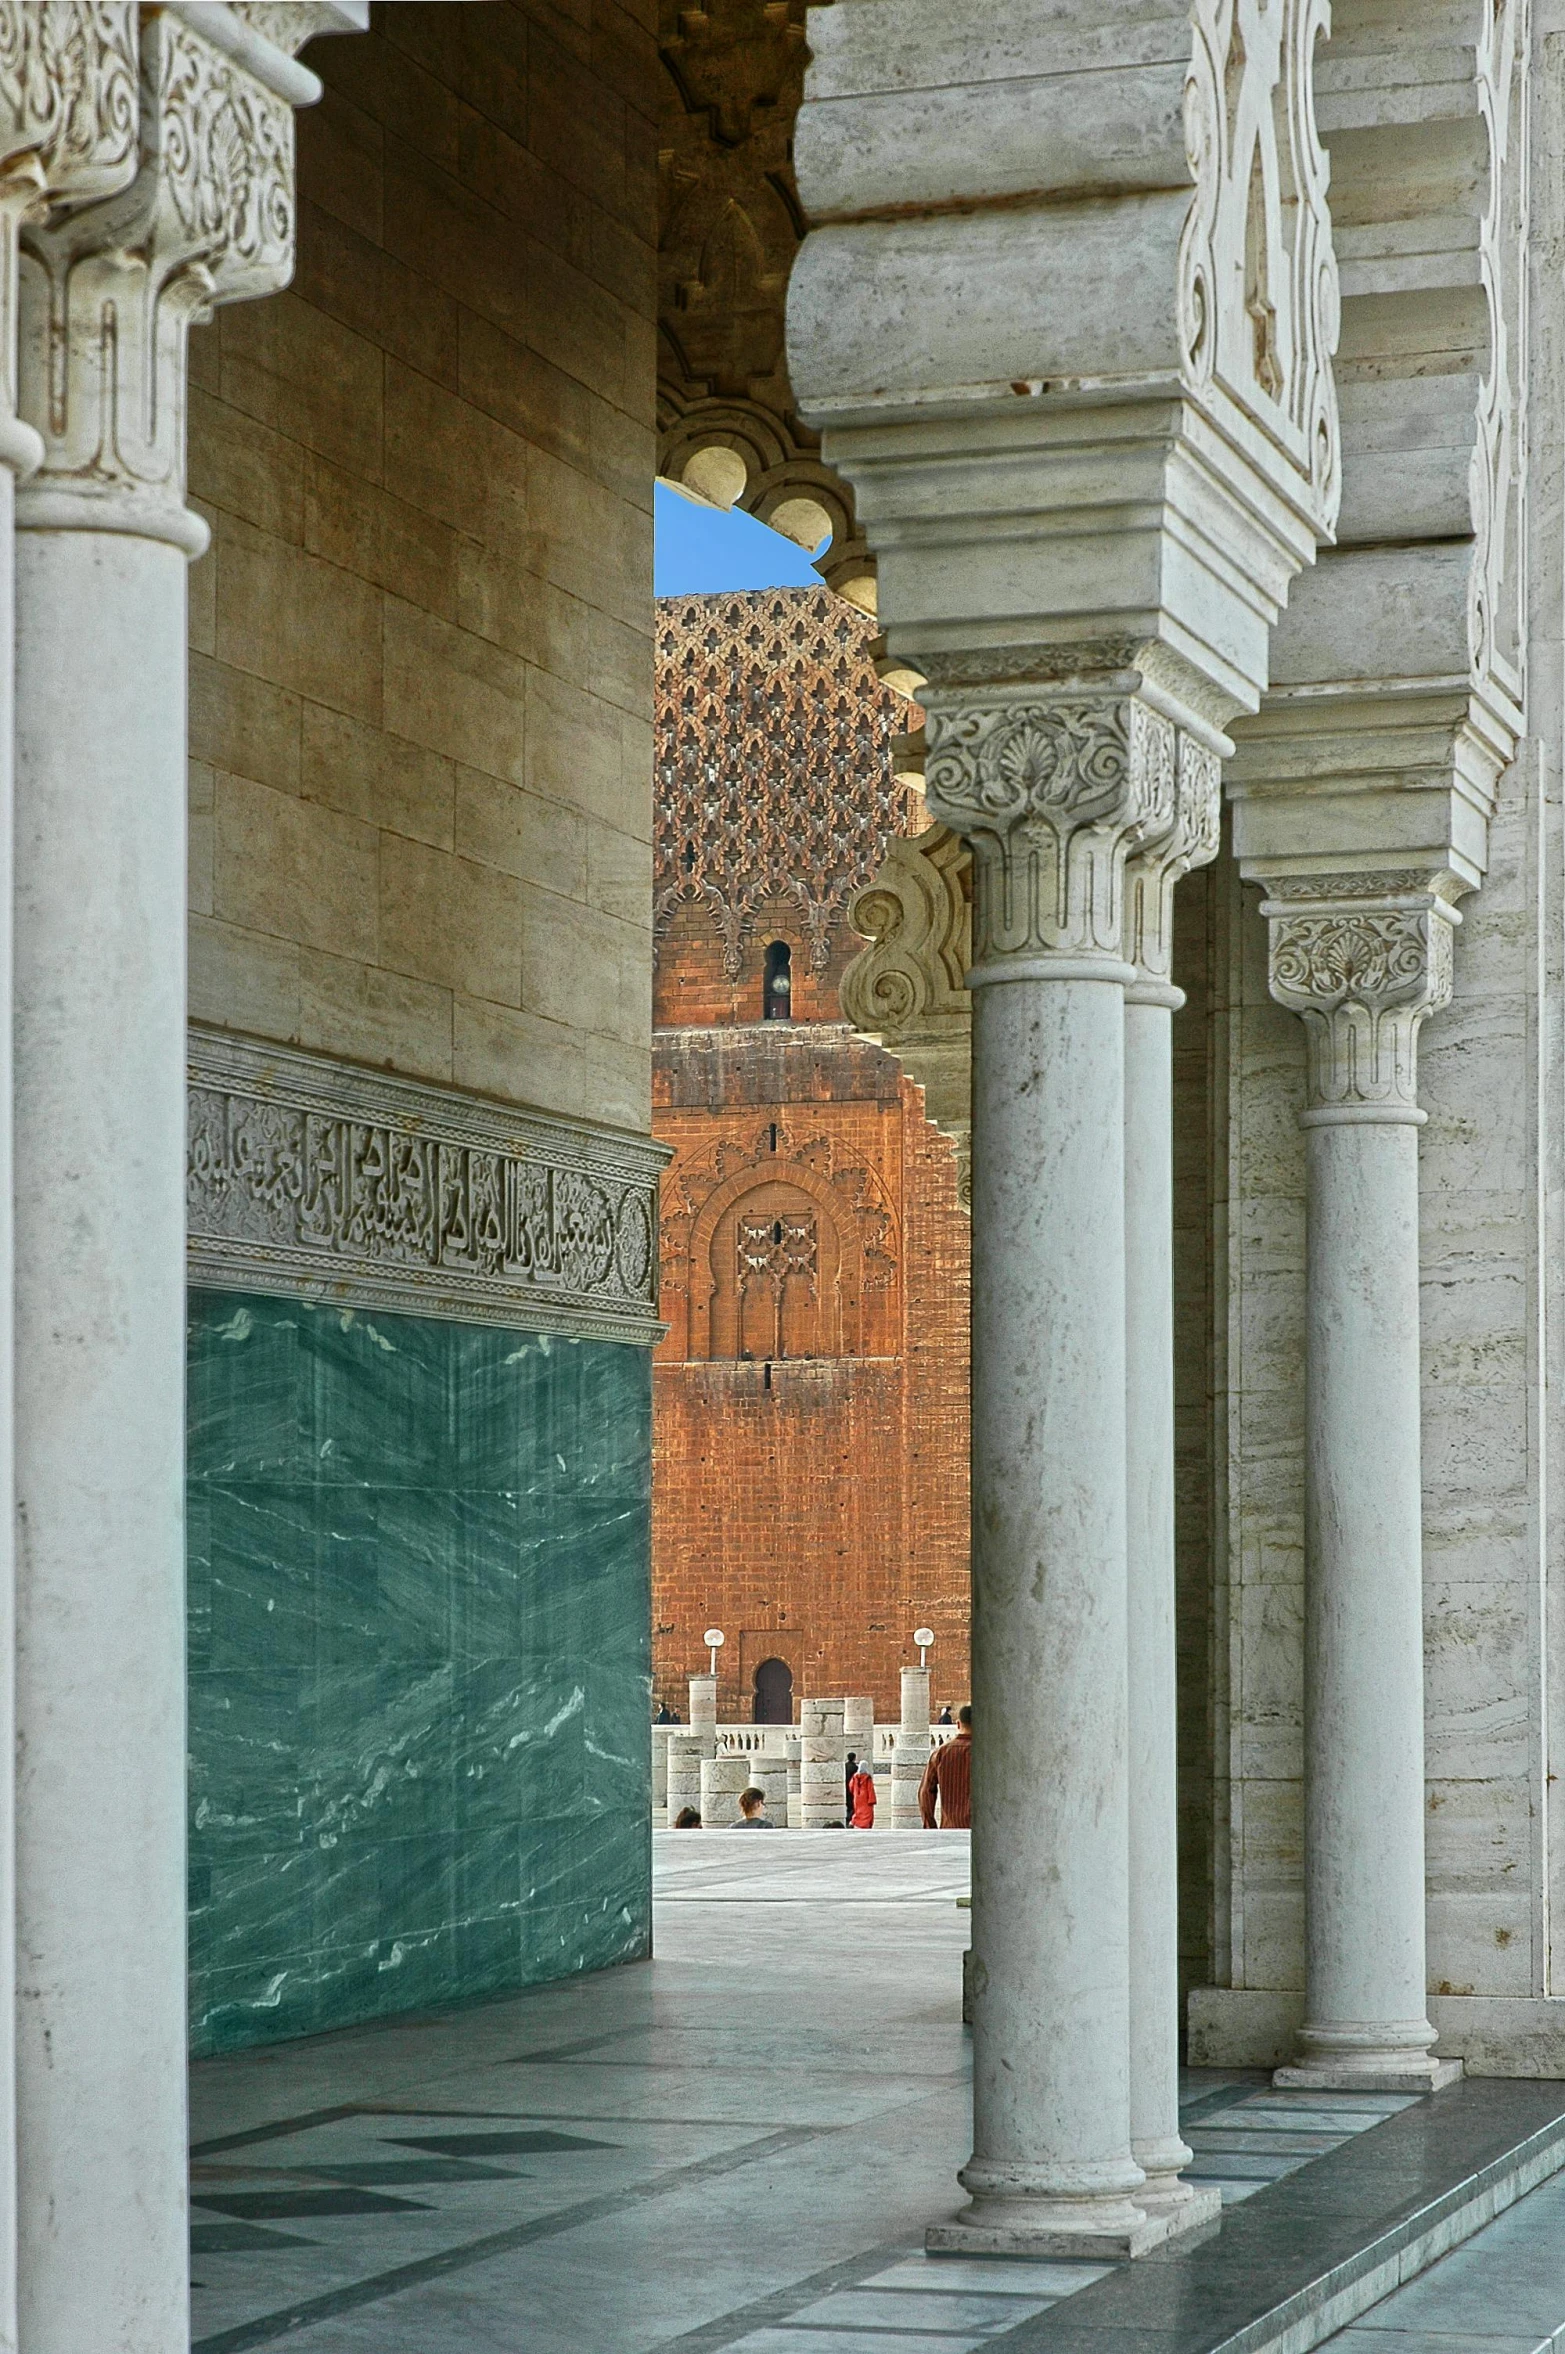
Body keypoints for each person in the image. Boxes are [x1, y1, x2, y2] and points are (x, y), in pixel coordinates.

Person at [919, 1704, 971, 1828]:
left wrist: (930, 1826)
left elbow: (925, 1792)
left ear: (958, 1724)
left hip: (950, 1828)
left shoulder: (940, 1754)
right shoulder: (991, 1754)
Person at [848, 1755, 876, 1829]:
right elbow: (870, 1789)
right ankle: (865, 1824)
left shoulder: (855, 1776)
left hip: (857, 1797)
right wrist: (872, 1800)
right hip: (865, 1798)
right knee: (867, 1813)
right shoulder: (867, 1777)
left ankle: (855, 1823)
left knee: (858, 1812)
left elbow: (851, 1787)